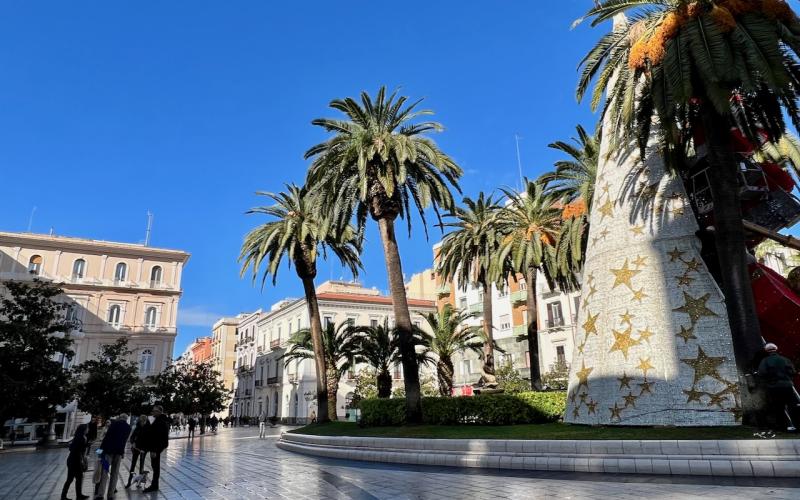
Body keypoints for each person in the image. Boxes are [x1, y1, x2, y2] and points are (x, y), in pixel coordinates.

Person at [757, 343, 799, 433]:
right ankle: (797, 427)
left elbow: (762, 373)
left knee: (778, 408)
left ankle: (782, 428)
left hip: (774, 387)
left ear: (766, 351)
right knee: (792, 407)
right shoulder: (785, 359)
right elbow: (792, 372)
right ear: (776, 349)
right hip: (787, 386)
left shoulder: (765, 361)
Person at [95, 414, 131, 500]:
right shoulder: (128, 428)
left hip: (108, 452)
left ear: (120, 418)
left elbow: (106, 438)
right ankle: (110, 495)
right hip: (118, 453)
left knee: (105, 472)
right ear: (126, 419)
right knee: (115, 473)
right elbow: (124, 441)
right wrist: (122, 453)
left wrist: (99, 451)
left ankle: (100, 495)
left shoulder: (114, 424)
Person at [143, 405, 169, 493]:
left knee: (155, 466)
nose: (152, 412)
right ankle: (154, 485)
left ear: (159, 412)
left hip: (156, 448)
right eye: (153, 411)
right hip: (156, 447)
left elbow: (158, 437)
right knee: (155, 466)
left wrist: (154, 450)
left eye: (154, 411)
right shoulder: (158, 420)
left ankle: (154, 485)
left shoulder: (161, 421)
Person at [61, 424, 89, 500]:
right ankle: (66, 496)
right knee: (72, 479)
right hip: (75, 461)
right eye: (87, 428)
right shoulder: (82, 438)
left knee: (76, 478)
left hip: (72, 460)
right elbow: (80, 449)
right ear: (84, 429)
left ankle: (77, 495)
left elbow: (72, 448)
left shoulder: (78, 437)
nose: (88, 429)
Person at [125, 415, 149, 489]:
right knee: (133, 464)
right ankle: (129, 481)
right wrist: (133, 442)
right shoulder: (137, 427)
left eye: (143, 421)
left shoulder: (148, 428)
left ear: (145, 421)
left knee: (141, 465)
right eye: (141, 421)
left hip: (144, 449)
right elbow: (132, 437)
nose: (142, 422)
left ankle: (139, 482)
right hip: (136, 448)